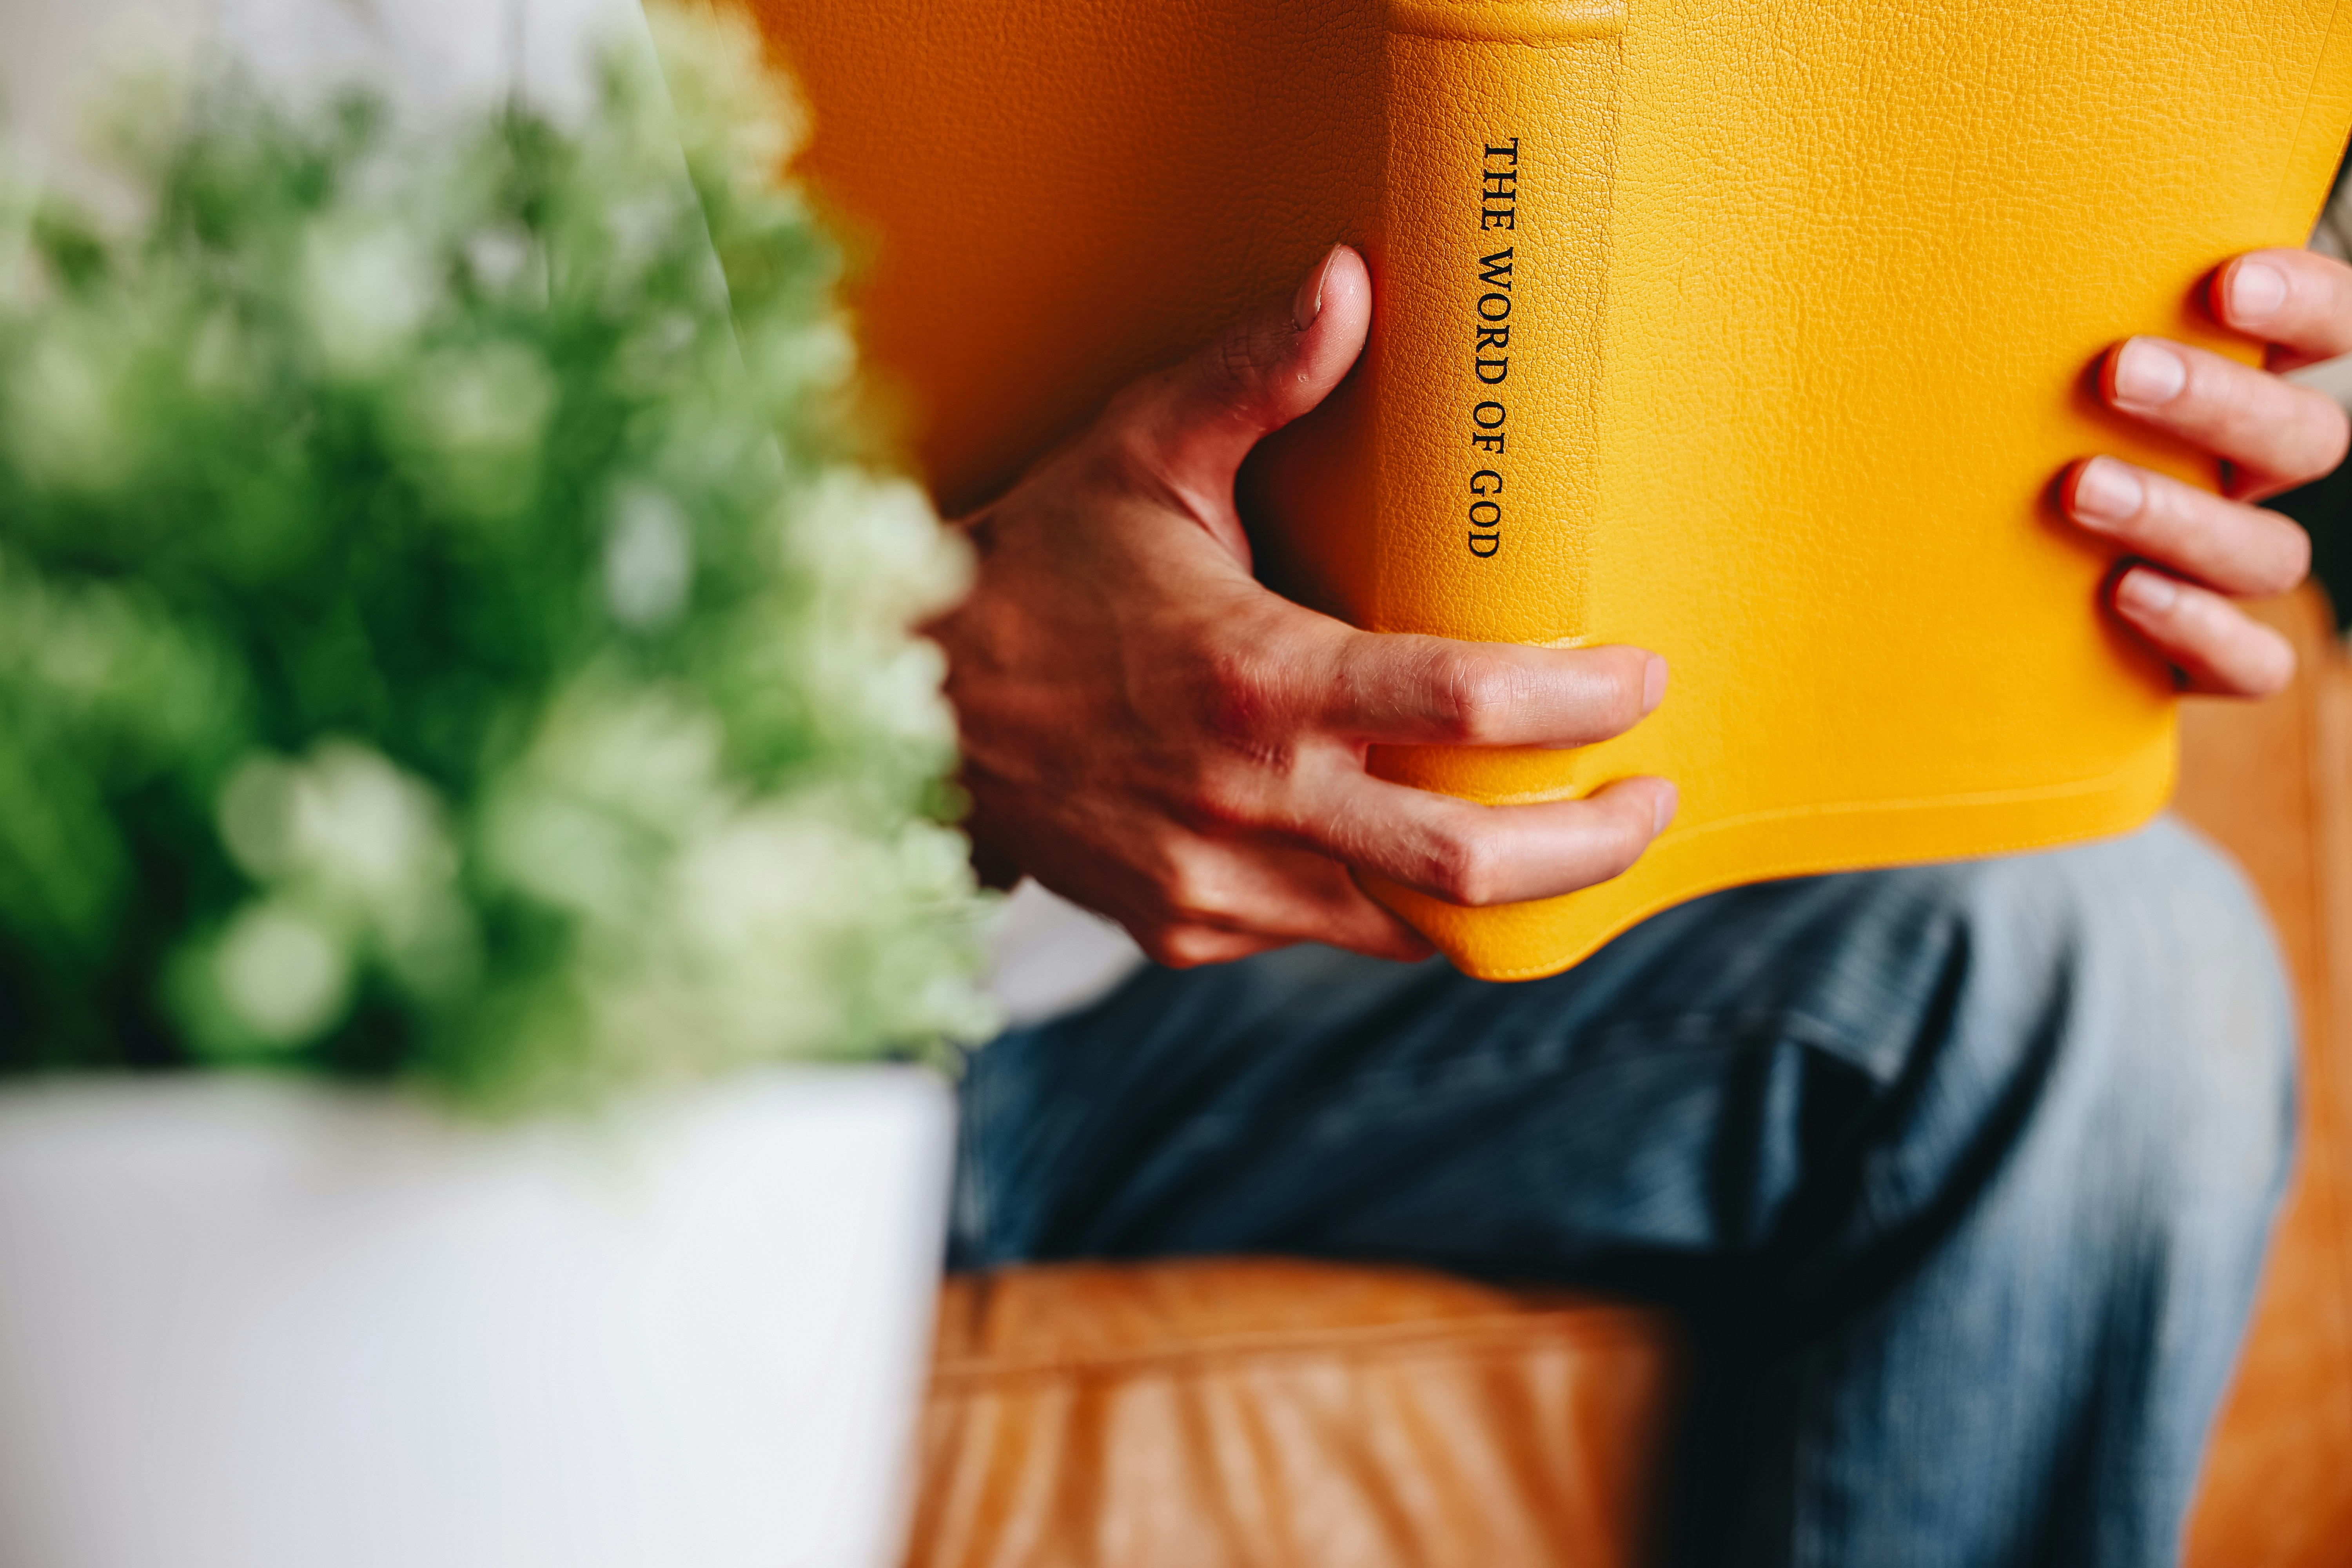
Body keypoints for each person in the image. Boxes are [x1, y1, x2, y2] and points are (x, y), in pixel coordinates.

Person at [929, 241, 2352, 1566]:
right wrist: (932, 680)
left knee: (2121, 959)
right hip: (747, 1023)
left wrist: (2234, 357)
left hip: (1116, 1013)